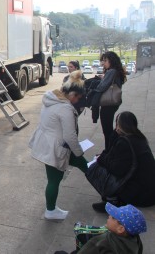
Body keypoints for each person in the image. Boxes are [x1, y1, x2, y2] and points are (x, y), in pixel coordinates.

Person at [29, 70, 88, 220]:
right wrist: (79, 151)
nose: (77, 101)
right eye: (78, 98)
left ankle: (103, 185)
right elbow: (70, 135)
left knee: (80, 167)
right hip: (56, 148)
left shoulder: (52, 98)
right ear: (73, 94)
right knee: (54, 180)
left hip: (48, 144)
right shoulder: (65, 108)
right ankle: (50, 210)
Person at [91, 111, 155, 212]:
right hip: (149, 190)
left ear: (120, 125)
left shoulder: (125, 142)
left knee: (97, 168)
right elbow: (112, 152)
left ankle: (115, 201)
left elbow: (117, 169)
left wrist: (101, 159)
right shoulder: (139, 137)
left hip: (142, 195)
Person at [55, 203, 146, 254]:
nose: (110, 216)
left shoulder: (106, 244)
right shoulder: (135, 240)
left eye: (113, 217)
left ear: (121, 229)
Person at [95, 51, 127, 151]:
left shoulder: (111, 71)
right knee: (108, 127)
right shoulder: (117, 71)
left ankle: (109, 150)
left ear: (111, 61)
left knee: (107, 129)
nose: (102, 63)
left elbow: (101, 87)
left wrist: (101, 81)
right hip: (113, 103)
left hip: (108, 103)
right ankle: (110, 149)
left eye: (105, 61)